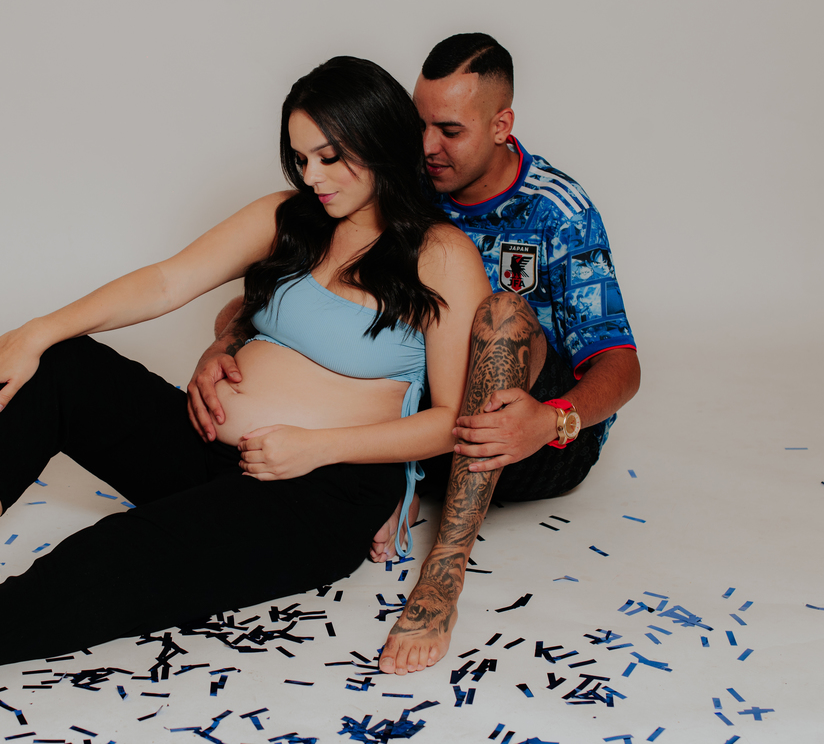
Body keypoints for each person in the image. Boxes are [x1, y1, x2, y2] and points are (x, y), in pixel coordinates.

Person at [0, 56, 493, 708]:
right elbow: (167, 281)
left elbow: (451, 421)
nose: (314, 175)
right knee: (58, 366)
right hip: (213, 448)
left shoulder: (440, 256)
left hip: (317, 495)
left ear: (378, 139)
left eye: (330, 156)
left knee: (117, 555)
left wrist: (319, 449)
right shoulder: (290, 218)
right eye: (302, 157)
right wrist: (39, 329)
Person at [187, 34, 641, 676]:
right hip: (427, 427)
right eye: (419, 123)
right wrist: (226, 343)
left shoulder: (557, 211)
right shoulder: (401, 186)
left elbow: (621, 364)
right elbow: (296, 295)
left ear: (501, 125)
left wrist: (551, 420)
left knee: (503, 314)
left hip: (529, 436)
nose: (427, 146)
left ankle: (442, 575)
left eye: (449, 130)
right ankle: (399, 477)